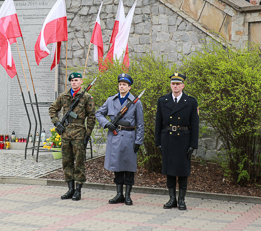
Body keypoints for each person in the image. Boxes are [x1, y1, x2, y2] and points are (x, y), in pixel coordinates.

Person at [95, 73, 144, 206]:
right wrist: (106, 123)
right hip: (115, 136)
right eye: (120, 84)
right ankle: (119, 194)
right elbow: (98, 113)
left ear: (129, 87)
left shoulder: (136, 102)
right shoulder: (111, 100)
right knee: (117, 167)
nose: (121, 86)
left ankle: (127, 196)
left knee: (128, 168)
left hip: (129, 138)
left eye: (124, 85)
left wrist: (138, 141)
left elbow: (140, 124)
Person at [155, 73, 199, 211]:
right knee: (170, 171)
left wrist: (193, 144)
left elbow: (195, 124)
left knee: (183, 171)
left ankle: (181, 199)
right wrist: (158, 141)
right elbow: (158, 123)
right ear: (170, 85)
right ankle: (172, 198)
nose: (175, 86)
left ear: (183, 86)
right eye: (173, 84)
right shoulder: (163, 100)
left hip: (183, 139)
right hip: (167, 138)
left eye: (178, 84)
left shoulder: (191, 102)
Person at [48, 72, 95, 201]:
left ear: (81, 81)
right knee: (67, 162)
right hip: (65, 134)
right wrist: (57, 122)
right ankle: (70, 189)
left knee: (79, 162)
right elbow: (52, 108)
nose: (74, 82)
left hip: (79, 134)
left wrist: (87, 134)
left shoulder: (87, 97)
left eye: (76, 80)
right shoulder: (64, 96)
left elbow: (91, 117)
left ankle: (78, 190)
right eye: (72, 80)